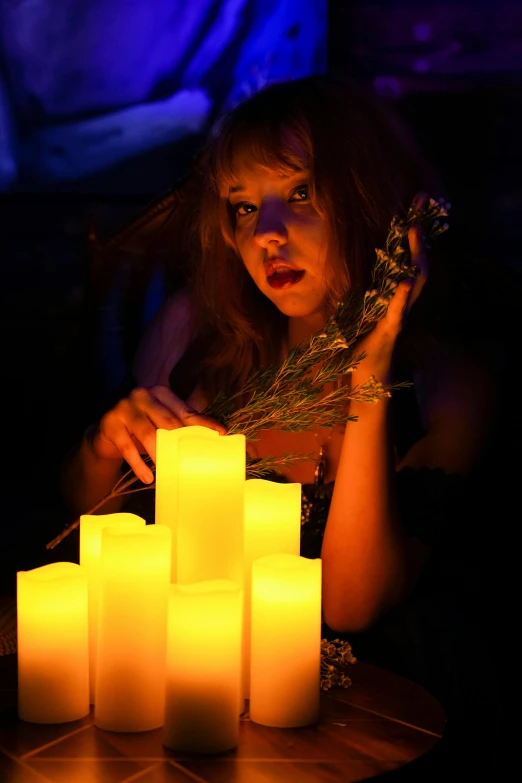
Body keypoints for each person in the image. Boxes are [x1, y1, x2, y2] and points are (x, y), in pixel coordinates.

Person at [62, 76, 501, 723]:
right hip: (191, 698)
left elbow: (352, 604)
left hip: (369, 712)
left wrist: (370, 367)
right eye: (242, 206)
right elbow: (91, 521)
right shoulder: (196, 335)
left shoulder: (450, 385)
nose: (267, 233)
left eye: (299, 192)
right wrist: (103, 444)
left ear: (365, 194)